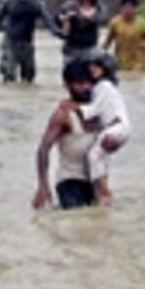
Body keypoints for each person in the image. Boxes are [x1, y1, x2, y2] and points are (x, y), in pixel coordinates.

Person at [61, 52, 131, 207]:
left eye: (96, 67)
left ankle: (105, 192)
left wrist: (75, 108)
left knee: (93, 155)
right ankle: (102, 192)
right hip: (115, 127)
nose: (92, 69)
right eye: (91, 67)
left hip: (116, 127)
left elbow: (95, 109)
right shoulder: (101, 88)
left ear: (105, 70)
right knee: (100, 157)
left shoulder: (104, 86)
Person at [33, 61, 99, 210]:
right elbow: (43, 149)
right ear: (68, 85)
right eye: (79, 83)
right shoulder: (63, 115)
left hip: (96, 180)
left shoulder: (99, 109)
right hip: (70, 181)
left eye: (88, 83)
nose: (85, 87)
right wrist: (43, 186)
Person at [56, 0, 107, 64]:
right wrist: (64, 19)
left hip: (90, 48)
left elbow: (103, 18)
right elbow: (57, 23)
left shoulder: (96, 5)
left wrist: (89, 17)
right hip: (72, 49)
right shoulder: (67, 6)